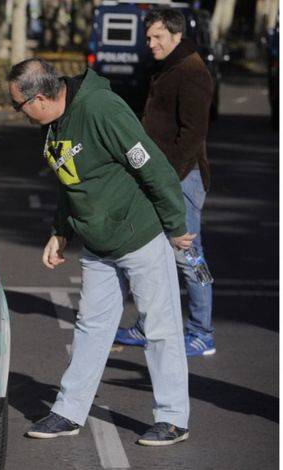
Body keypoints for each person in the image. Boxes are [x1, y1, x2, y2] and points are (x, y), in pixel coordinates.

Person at [7, 58, 194, 446]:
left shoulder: (101, 110)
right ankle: (69, 411)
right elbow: (69, 182)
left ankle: (173, 418)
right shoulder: (54, 123)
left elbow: (152, 165)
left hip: (138, 234)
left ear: (39, 98)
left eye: (18, 106)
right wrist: (60, 232)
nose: (18, 114)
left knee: (159, 327)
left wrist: (176, 225)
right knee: (91, 327)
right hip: (97, 242)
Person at [115, 8, 216, 357]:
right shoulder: (170, 65)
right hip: (162, 176)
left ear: (176, 35)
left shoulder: (192, 72)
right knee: (155, 254)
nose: (150, 43)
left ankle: (203, 332)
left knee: (191, 256)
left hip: (181, 179)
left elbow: (193, 136)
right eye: (147, 37)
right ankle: (149, 325)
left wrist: (166, 179)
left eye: (157, 36)